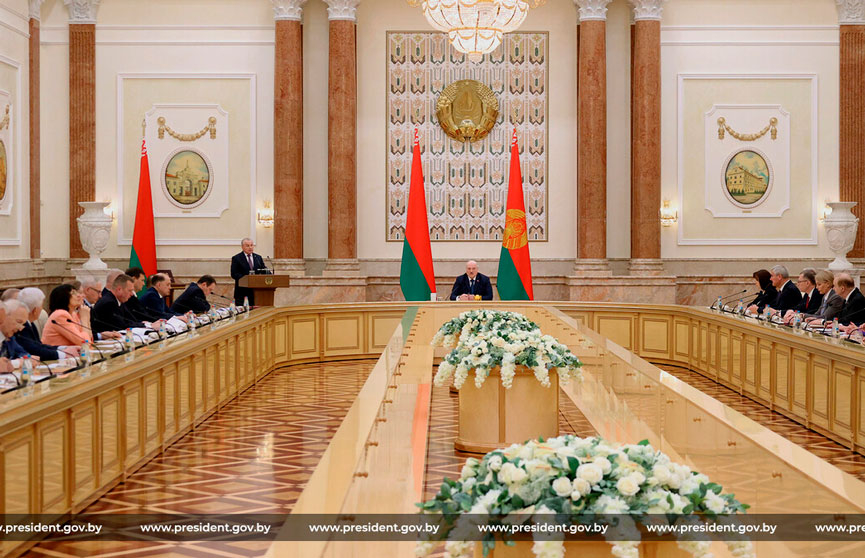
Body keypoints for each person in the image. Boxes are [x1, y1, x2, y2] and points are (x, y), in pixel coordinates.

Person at [15, 288, 78, 361]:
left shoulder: (30, 323)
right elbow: (34, 351)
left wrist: (64, 348)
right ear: (35, 310)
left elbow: (39, 346)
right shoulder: (22, 326)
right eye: (42, 306)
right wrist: (64, 354)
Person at [230, 238, 265, 305]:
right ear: (242, 247)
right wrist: (247, 278)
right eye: (247, 246)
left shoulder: (258, 258)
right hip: (242, 292)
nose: (250, 247)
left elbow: (263, 269)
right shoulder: (236, 258)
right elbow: (234, 274)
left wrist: (269, 273)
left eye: (251, 245)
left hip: (256, 292)